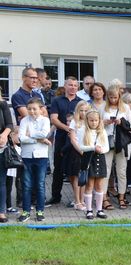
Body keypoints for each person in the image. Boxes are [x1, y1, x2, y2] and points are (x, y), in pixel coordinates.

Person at [47, 76, 82, 206]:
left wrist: (73, 131)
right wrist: (68, 128)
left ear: (78, 87)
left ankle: (77, 199)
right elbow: (54, 119)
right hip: (61, 138)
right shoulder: (57, 100)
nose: (72, 87)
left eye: (75, 85)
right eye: (70, 85)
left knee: (74, 170)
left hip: (77, 140)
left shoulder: (81, 102)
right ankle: (56, 197)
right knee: (58, 169)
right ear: (65, 86)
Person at [17, 98, 51, 222]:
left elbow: (45, 134)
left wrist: (30, 134)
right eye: (29, 109)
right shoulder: (24, 121)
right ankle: (26, 211)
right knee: (26, 185)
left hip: (41, 156)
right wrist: (37, 139)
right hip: (26, 156)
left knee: (40, 184)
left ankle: (40, 211)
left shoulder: (45, 120)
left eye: (34, 109)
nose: (32, 111)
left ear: (41, 109)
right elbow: (21, 137)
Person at [71, 110, 109, 220]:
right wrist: (93, 148)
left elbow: (106, 147)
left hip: (100, 158)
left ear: (99, 121)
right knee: (89, 185)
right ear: (87, 120)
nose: (94, 123)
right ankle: (89, 210)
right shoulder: (83, 130)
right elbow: (81, 146)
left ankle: (99, 210)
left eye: (96, 120)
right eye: (91, 120)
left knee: (99, 185)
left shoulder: (102, 131)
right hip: (88, 159)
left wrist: (100, 150)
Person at [66, 100, 90, 211]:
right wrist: (80, 151)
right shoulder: (74, 122)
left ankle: (82, 199)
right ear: (77, 111)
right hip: (76, 152)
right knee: (75, 177)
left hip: (87, 151)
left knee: (84, 177)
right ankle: (77, 201)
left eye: (86, 110)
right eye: (81, 110)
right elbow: (73, 139)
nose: (84, 113)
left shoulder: (90, 122)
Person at [0, 92, 14, 223]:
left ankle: (1, 212)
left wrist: (4, 135)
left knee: (1, 181)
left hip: (1, 147)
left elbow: (10, 124)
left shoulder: (3, 104)